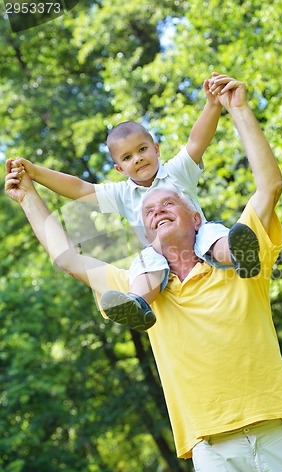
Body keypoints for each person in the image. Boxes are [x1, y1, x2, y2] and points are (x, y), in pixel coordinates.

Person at [6, 77, 282, 472]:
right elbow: (68, 258)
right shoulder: (139, 278)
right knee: (140, 293)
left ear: (194, 217)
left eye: (169, 204)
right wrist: (29, 193)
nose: (157, 208)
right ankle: (140, 309)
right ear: (143, 230)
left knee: (231, 241)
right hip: (212, 449)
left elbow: (268, 186)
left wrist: (235, 108)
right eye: (149, 211)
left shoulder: (235, 261)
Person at [9, 73, 260, 332]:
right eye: (128, 157)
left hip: (197, 239)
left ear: (156, 149)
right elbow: (79, 187)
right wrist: (36, 173)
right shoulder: (122, 194)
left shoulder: (176, 171)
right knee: (144, 263)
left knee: (212, 233)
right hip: (160, 255)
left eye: (142, 149)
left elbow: (197, 140)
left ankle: (240, 255)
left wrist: (212, 104)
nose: (138, 159)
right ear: (119, 168)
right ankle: (138, 305)